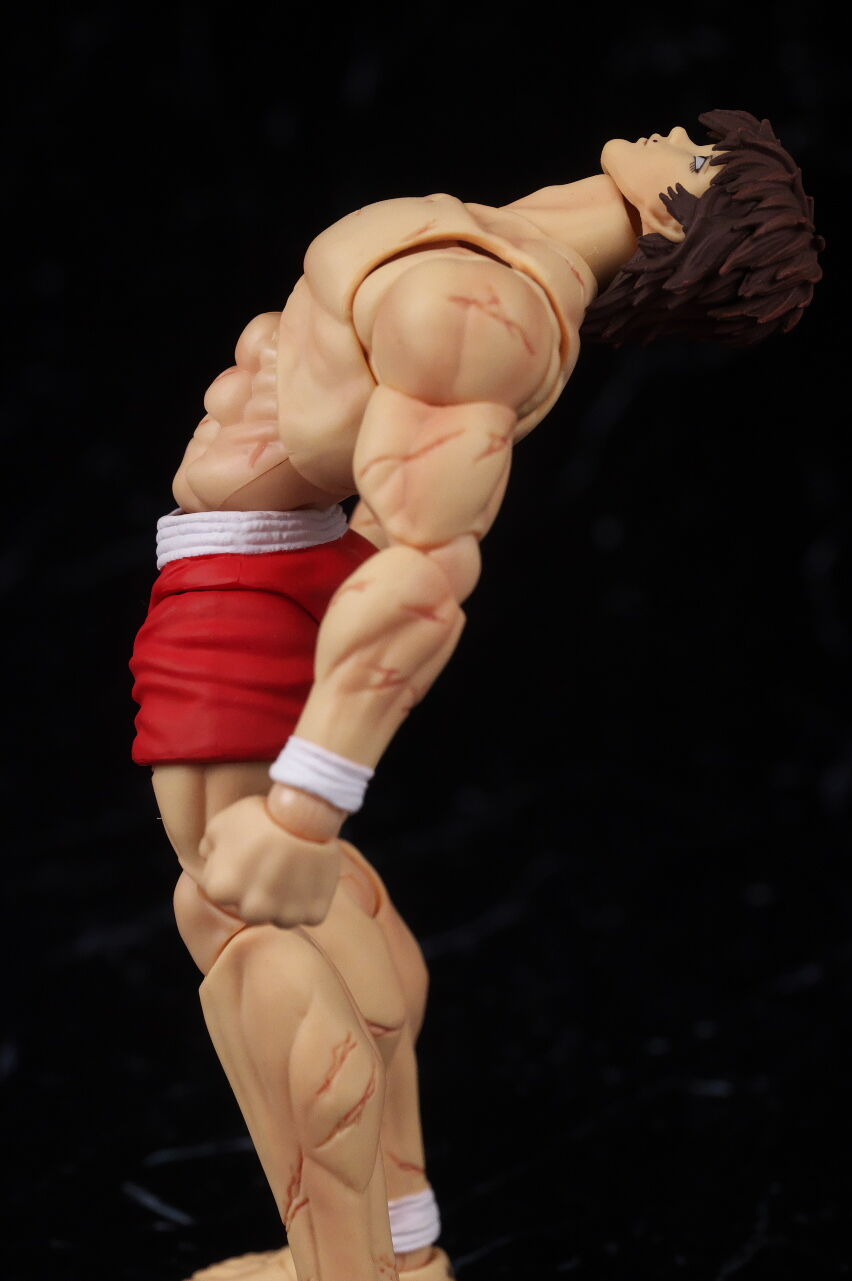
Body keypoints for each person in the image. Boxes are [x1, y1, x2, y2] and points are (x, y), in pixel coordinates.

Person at [131, 109, 821, 1281]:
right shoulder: (487, 249)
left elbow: (423, 572)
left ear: (682, 222)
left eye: (704, 156)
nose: (683, 130)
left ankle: (342, 1273)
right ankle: (407, 1252)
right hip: (253, 567)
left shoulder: (477, 313)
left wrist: (305, 807)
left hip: (245, 592)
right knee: (333, 931)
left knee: (244, 923)